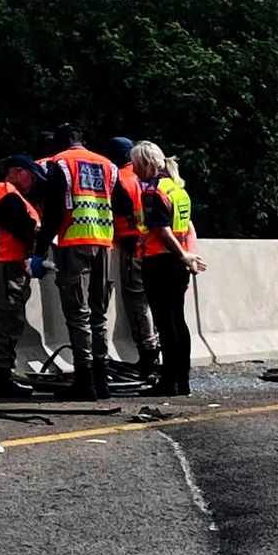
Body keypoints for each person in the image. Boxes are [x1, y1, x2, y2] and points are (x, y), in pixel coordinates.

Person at [42, 123, 119, 400]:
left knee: (78, 314)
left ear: (62, 141)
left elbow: (52, 211)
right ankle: (102, 380)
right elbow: (119, 203)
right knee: (99, 313)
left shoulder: (61, 163)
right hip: (104, 242)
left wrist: (40, 250)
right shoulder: (108, 165)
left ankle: (84, 381)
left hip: (74, 242)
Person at [131, 142, 205, 397]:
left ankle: (168, 381)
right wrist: (188, 255)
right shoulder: (178, 190)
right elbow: (190, 227)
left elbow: (161, 231)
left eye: (137, 166)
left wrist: (182, 254)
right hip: (178, 263)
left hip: (160, 261)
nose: (135, 172)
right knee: (178, 320)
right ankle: (182, 380)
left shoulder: (153, 192)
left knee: (165, 323)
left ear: (145, 164)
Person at [0, 156, 47, 398]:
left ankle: (0, 375)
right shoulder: (6, 192)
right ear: (16, 171)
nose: (33, 182)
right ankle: (0, 378)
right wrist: (39, 235)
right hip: (2, 264)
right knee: (6, 320)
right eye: (30, 176)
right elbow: (19, 225)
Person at [102, 136, 160, 379]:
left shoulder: (121, 180)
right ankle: (156, 351)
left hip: (131, 245)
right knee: (154, 302)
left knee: (137, 302)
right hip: (155, 247)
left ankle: (147, 355)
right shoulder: (151, 179)